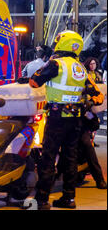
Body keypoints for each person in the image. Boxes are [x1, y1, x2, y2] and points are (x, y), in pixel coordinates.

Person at [28, 30, 103, 210]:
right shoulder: (80, 68)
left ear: (62, 43)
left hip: (56, 118)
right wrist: (84, 102)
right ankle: (69, 198)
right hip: (76, 119)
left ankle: (42, 199)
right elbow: (98, 95)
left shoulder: (56, 64)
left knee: (48, 157)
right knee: (70, 158)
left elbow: (33, 82)